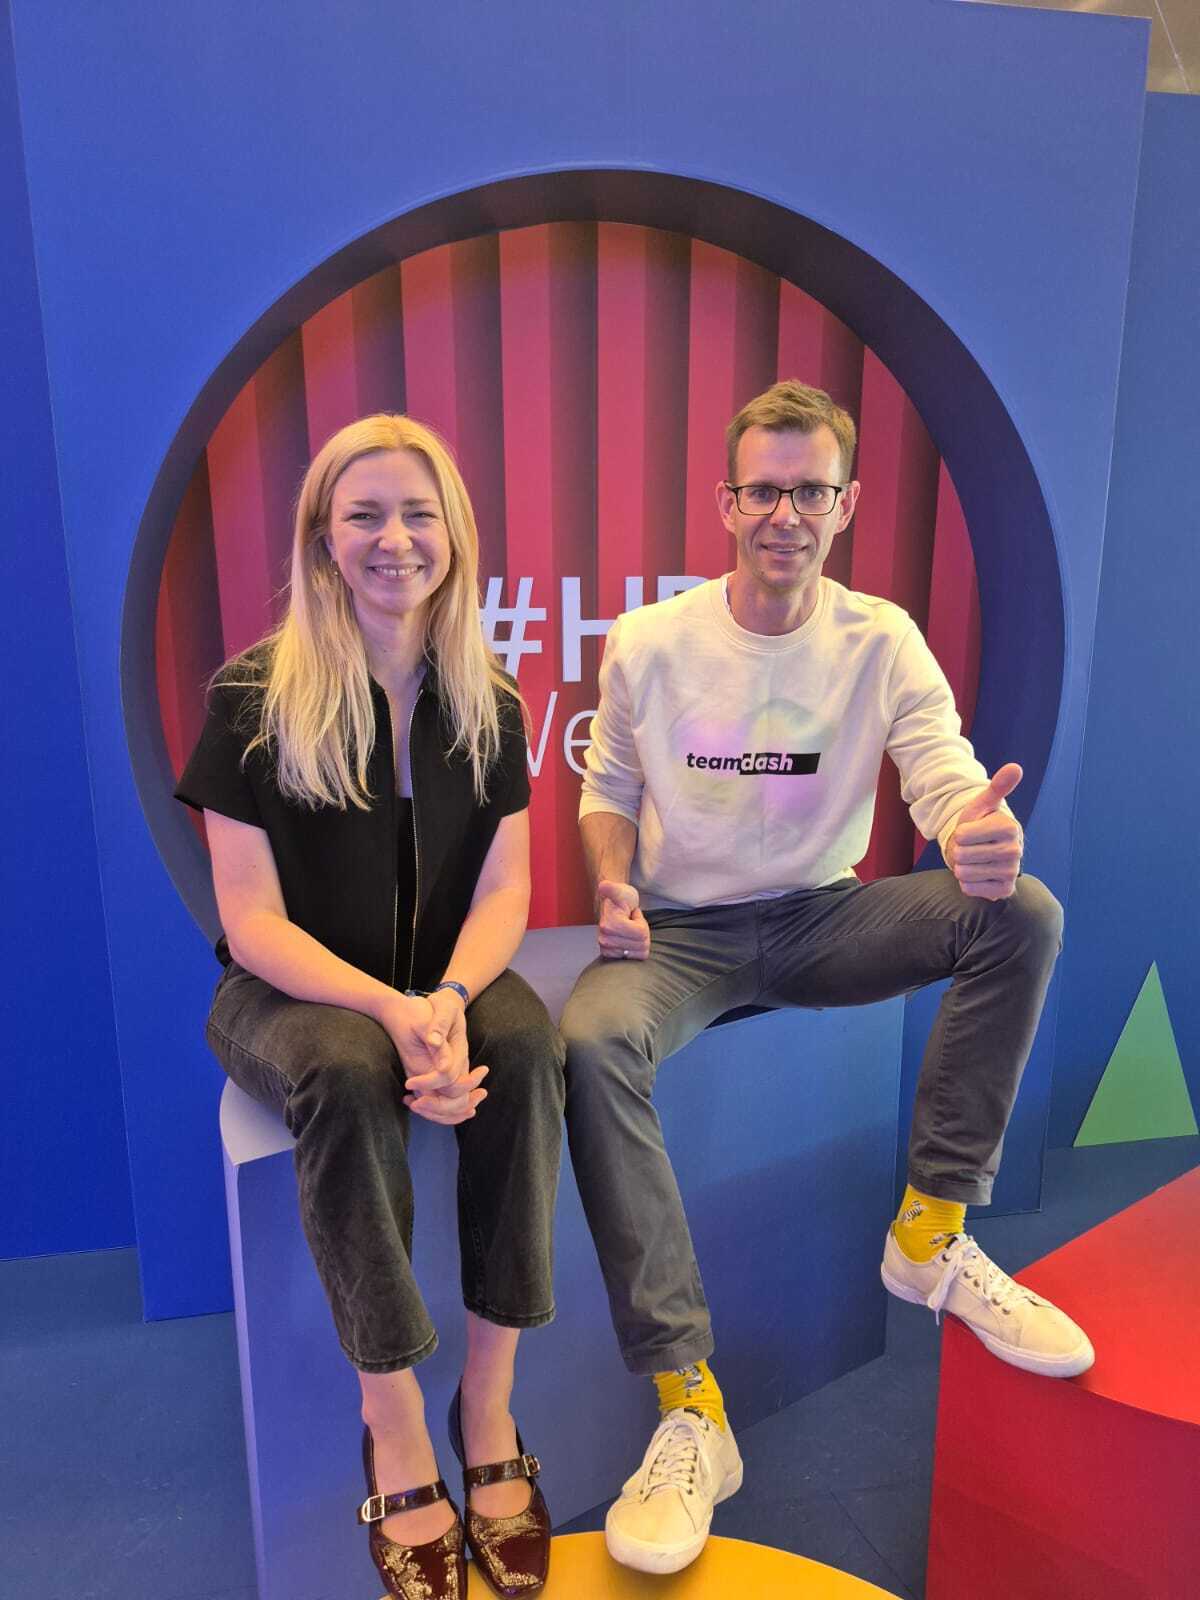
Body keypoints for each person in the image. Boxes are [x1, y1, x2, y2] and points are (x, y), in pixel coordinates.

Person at [560, 379, 1089, 1576]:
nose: (784, 514)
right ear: (725, 501)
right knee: (590, 1039)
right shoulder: (650, 642)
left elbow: (941, 770)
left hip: (824, 915)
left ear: (845, 505)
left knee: (1024, 914)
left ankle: (931, 1231)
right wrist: (613, 881)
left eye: (810, 492)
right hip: (684, 935)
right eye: (764, 490)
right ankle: (690, 1403)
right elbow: (609, 789)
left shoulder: (880, 638)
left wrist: (973, 831)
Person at [176, 414, 563, 1600]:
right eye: (364, 515)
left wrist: (445, 998)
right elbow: (252, 922)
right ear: (322, 540)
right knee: (345, 1066)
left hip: (434, 981)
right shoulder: (251, 697)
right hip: (288, 993)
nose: (395, 539)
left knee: (527, 1042)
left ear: (454, 533)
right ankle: (393, 1421)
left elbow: (507, 891)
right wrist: (394, 1015)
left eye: (417, 513)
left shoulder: (489, 697)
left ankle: (487, 1401)